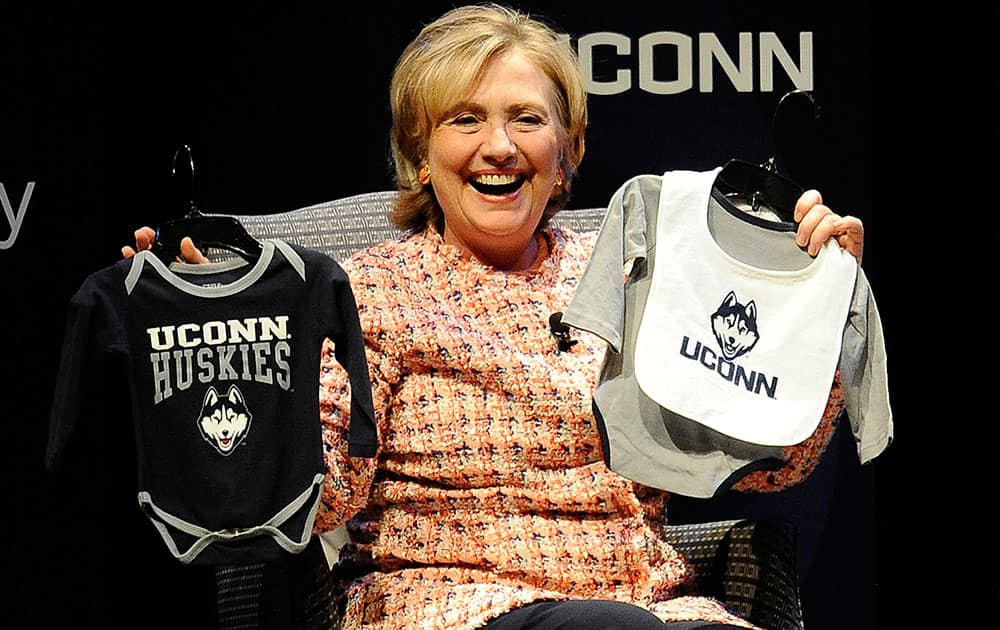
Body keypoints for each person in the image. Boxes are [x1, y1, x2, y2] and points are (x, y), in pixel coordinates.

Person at [124, 4, 866, 628]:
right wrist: (221, 344)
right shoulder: (366, 292)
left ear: (567, 148)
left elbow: (773, 466)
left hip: (643, 602)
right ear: (421, 155)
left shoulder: (641, 280)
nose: (500, 147)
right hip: (445, 603)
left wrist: (807, 304)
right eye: (465, 119)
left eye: (526, 119)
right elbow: (322, 501)